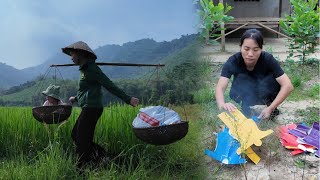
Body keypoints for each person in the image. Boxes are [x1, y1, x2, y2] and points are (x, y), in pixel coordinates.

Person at [61, 41, 139, 168]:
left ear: (80, 54)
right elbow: (86, 90)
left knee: (81, 139)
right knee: (77, 136)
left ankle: (82, 168)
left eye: (73, 54)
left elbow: (109, 85)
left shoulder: (93, 69)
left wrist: (127, 99)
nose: (71, 57)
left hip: (92, 108)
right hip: (88, 107)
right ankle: (101, 157)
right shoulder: (84, 70)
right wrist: (75, 98)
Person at [215, 29, 294, 119]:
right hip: (243, 97)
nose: (250, 54)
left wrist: (271, 108)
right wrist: (222, 105)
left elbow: (288, 86)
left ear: (261, 49)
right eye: (246, 49)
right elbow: (220, 87)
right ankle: (245, 107)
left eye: (255, 50)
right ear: (240, 47)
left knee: (272, 80)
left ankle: (268, 109)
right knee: (242, 77)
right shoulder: (234, 60)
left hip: (265, 97)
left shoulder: (268, 59)